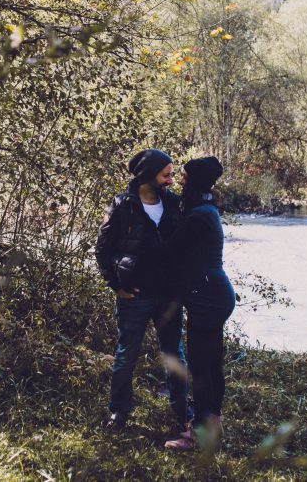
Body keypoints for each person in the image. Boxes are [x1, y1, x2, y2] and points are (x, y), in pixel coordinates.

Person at [94, 149, 190, 431]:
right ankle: (119, 412)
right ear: (148, 176)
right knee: (126, 356)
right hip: (134, 296)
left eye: (171, 174)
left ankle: (183, 411)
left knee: (174, 355)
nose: (171, 180)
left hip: (169, 296)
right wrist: (115, 285)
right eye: (166, 174)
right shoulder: (122, 205)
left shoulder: (174, 204)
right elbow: (102, 249)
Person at [160, 156, 236, 451]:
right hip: (214, 294)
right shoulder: (205, 209)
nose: (180, 180)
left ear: (196, 181)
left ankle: (199, 435)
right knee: (211, 365)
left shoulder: (199, 216)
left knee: (203, 369)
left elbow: (168, 251)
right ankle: (213, 429)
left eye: (184, 177)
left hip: (208, 298)